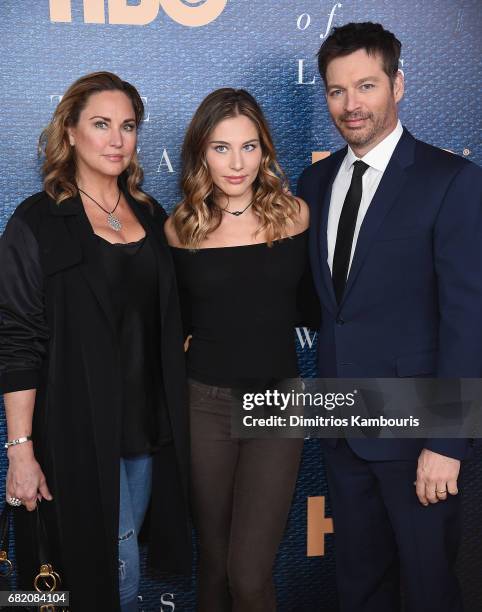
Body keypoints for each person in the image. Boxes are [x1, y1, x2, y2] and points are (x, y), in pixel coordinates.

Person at [297, 22, 482, 612]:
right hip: (340, 425)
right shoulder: (315, 181)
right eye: (336, 90)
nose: (351, 105)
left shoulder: (450, 180)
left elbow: (468, 316)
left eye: (366, 85)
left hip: (418, 435)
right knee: (359, 588)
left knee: (429, 589)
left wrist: (448, 441)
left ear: (397, 84)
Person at [0, 71, 191, 611]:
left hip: (147, 433)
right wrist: (20, 450)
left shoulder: (152, 216)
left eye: (127, 126)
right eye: (101, 124)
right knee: (113, 583)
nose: (116, 140)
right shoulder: (37, 221)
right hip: (76, 436)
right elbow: (17, 342)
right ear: (70, 132)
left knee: (118, 578)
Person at [164, 88, 314, 612]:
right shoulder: (180, 228)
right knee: (214, 566)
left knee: (248, 577)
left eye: (249, 147)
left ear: (265, 151)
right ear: (201, 152)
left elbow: (317, 308)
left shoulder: (294, 216)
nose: (237, 163)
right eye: (221, 148)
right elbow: (172, 323)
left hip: (278, 406)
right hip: (203, 404)